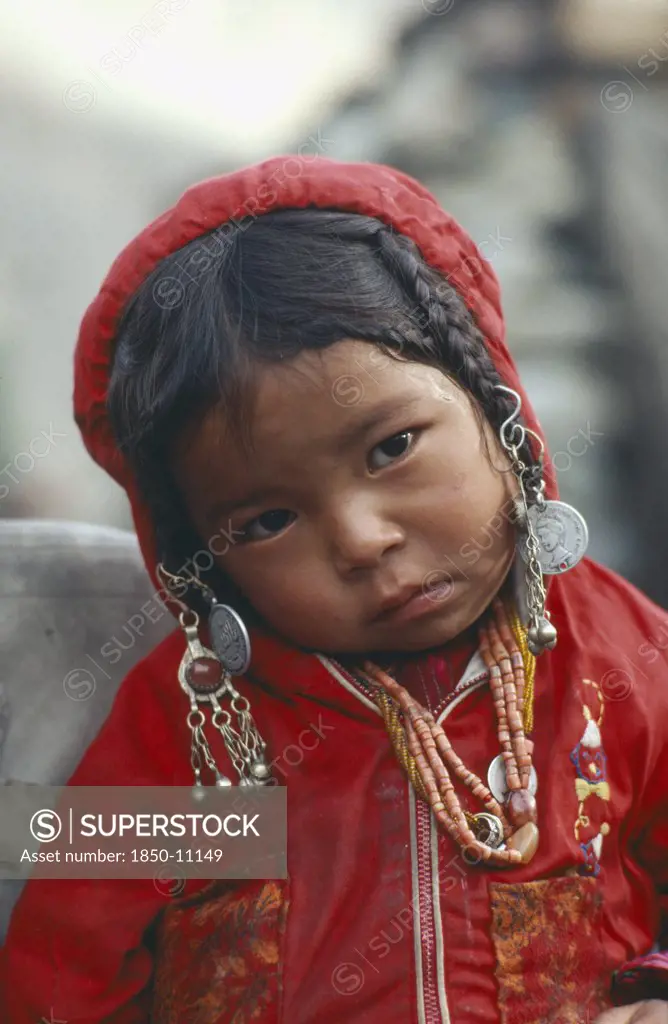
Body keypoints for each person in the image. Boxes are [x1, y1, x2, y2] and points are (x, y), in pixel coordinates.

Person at [1, 157, 667, 1024]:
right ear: (201, 558)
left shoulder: (622, 659)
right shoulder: (195, 731)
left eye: (392, 448)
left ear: (496, 407)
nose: (361, 539)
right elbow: (61, 968)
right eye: (268, 519)